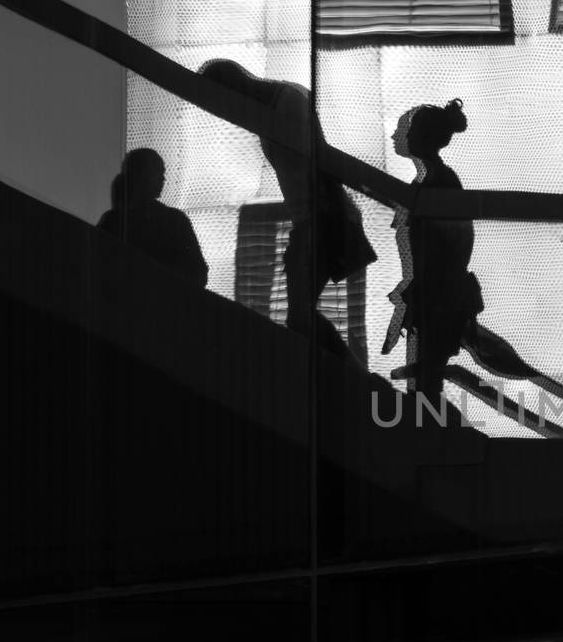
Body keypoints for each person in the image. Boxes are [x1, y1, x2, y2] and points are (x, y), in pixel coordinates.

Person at [197, 59, 376, 358]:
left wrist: (313, 225)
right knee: (301, 317)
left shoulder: (285, 105)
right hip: (316, 218)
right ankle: (345, 371)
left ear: (229, 90)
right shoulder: (279, 103)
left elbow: (314, 164)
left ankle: (347, 373)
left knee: (300, 318)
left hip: (319, 218)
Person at [382, 99, 488, 412]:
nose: (396, 136)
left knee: (428, 379)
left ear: (423, 138)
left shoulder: (439, 182)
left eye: (406, 129)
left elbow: (457, 242)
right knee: (428, 378)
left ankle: (432, 434)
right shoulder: (431, 181)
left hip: (440, 297)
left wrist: (431, 286)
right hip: (436, 295)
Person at [95, 148, 208, 288]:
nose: (163, 179)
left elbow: (198, 273)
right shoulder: (114, 220)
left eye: (162, 173)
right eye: (157, 172)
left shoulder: (176, 220)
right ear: (139, 175)